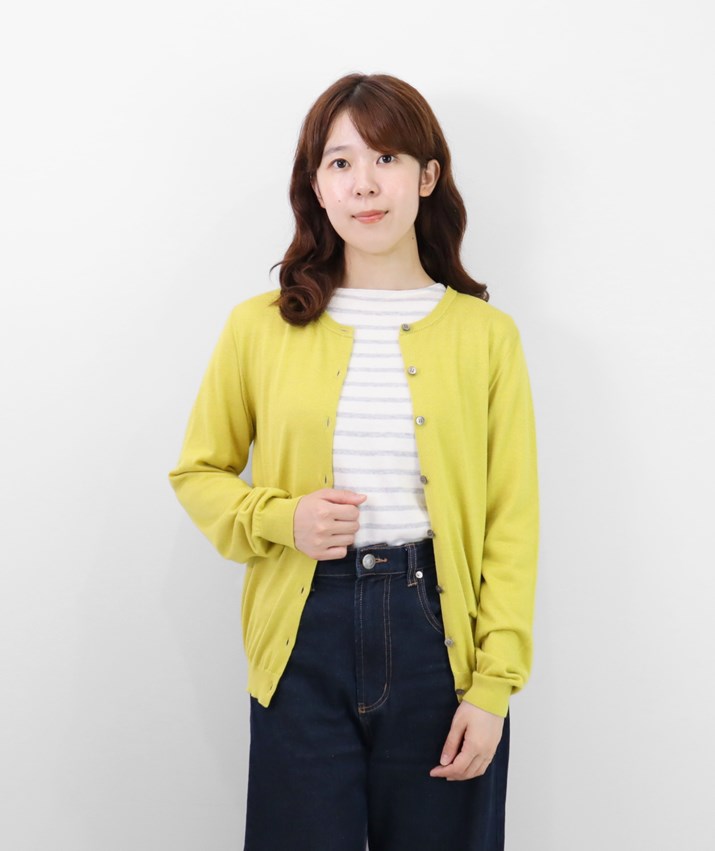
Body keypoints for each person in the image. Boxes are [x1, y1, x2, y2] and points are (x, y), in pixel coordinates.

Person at [168, 72, 539, 851]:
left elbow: (511, 520)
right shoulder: (259, 328)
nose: (363, 184)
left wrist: (493, 686)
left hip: (439, 637)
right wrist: (284, 518)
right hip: (303, 633)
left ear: (426, 176)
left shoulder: (486, 337)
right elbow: (197, 473)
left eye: (386, 158)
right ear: (316, 185)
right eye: (339, 162)